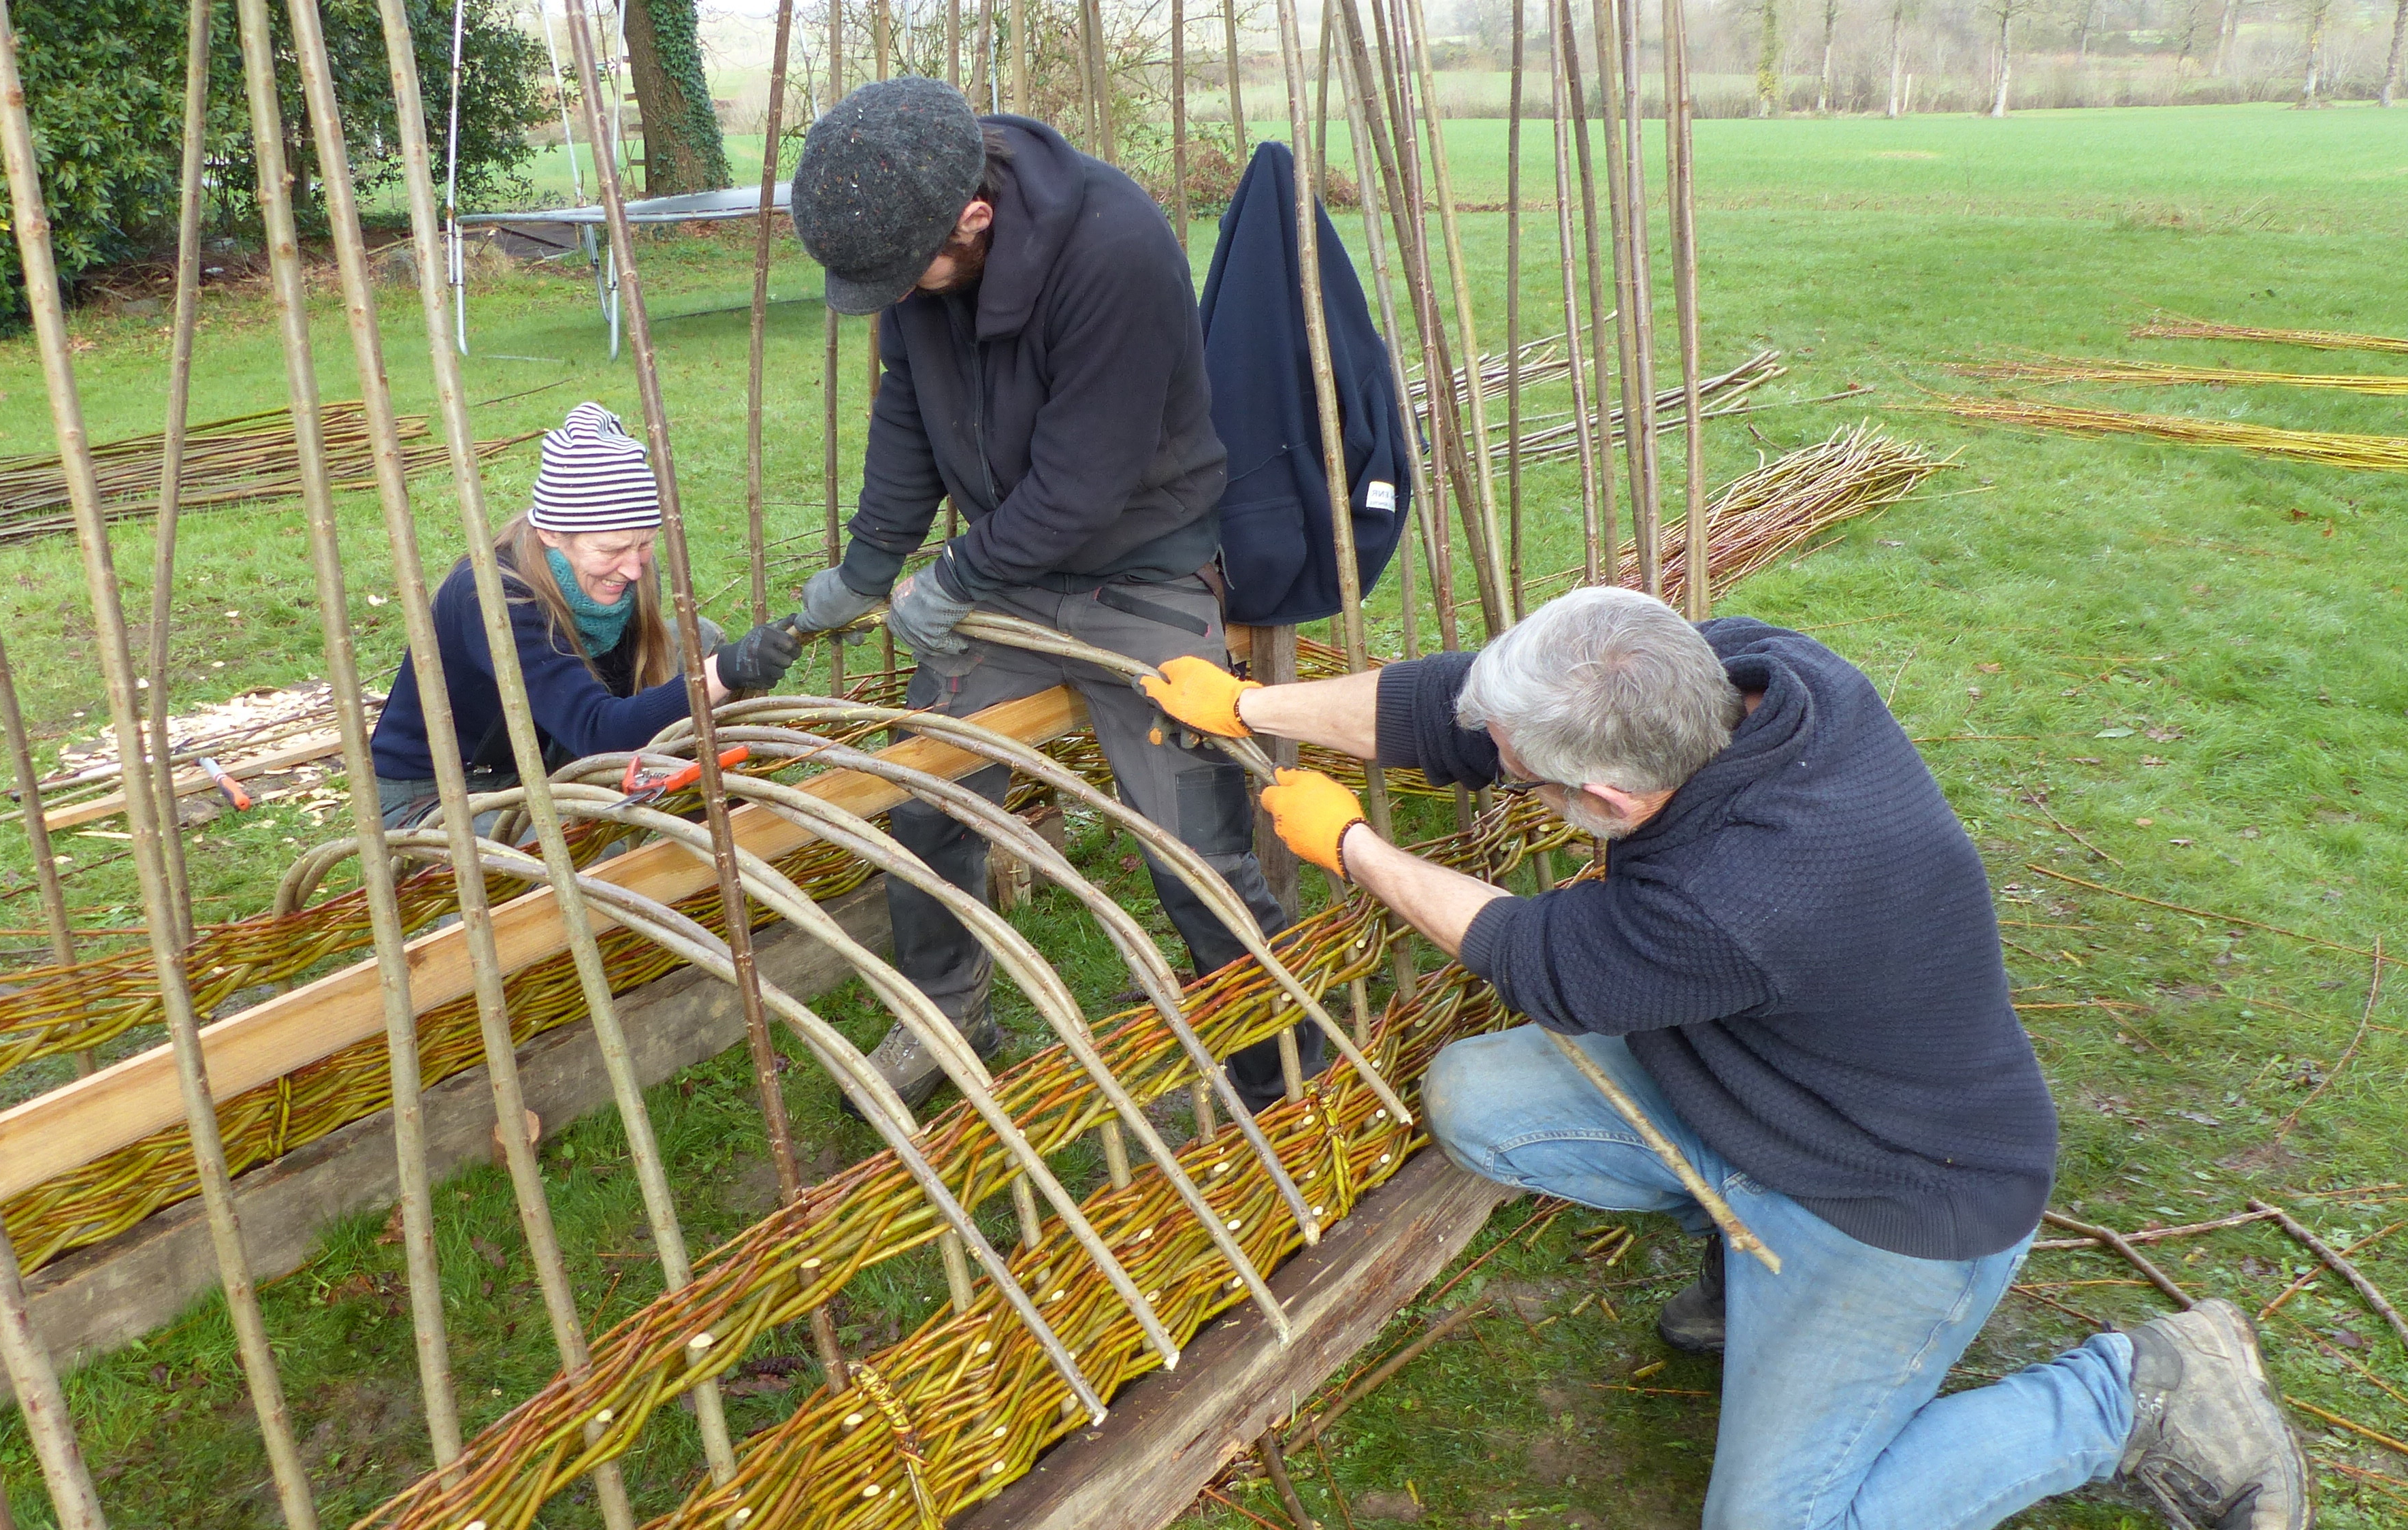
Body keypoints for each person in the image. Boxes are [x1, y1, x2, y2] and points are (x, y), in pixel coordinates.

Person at [1136, 585, 2313, 1530]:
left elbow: (1539, 955)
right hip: (1779, 1095)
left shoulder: (1745, 893)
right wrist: (1252, 710)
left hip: (1899, 1197)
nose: (1503, 769)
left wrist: (1349, 844)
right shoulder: (1741, 673)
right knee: (1480, 1099)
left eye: (1531, 778)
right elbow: (1462, 711)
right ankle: (1732, 1244)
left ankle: (2137, 1394)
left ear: (1605, 795)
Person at [782, 76, 1311, 1111]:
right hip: (1014, 575)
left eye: (906, 276)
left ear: (973, 218)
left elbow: (1085, 483)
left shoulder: (1115, 251)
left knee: (1192, 848)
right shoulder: (918, 258)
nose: (893, 300)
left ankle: (1277, 1067)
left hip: (1142, 564)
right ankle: (947, 1010)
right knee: (925, 794)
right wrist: (869, 566)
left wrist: (957, 577)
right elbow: (908, 425)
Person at [370, 402, 801, 829]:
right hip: (445, 791)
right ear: (552, 533)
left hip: (542, 752)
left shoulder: (620, 567)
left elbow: (615, 701)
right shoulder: (489, 597)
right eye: (611, 550)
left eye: (645, 544)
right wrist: (724, 671)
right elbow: (598, 731)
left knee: (698, 640)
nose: (633, 568)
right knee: (607, 846)